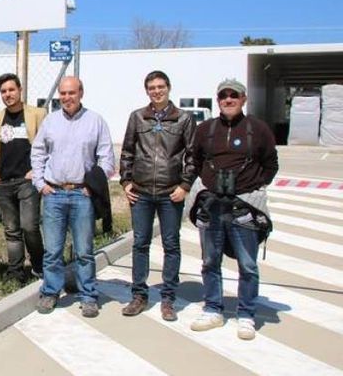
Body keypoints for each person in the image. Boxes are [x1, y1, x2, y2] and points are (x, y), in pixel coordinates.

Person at [187, 79, 278, 340]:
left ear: (243, 99)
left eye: (233, 95)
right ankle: (213, 308)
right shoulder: (205, 129)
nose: (228, 100)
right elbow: (194, 160)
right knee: (209, 262)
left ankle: (246, 314)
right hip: (212, 206)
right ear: (217, 100)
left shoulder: (258, 129)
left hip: (243, 207)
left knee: (248, 265)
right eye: (223, 96)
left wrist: (253, 186)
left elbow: (271, 164)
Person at [31, 76, 115, 318]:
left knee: (84, 251)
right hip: (54, 193)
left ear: (81, 93)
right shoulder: (50, 121)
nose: (67, 98)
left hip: (82, 195)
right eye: (63, 93)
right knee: (53, 250)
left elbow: (107, 157)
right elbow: (37, 153)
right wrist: (39, 184)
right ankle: (50, 292)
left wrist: (94, 186)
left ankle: (88, 296)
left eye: (72, 93)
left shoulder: (95, 121)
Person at [118, 71, 196, 321]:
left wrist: (184, 185)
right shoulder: (138, 117)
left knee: (171, 245)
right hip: (140, 193)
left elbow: (193, 156)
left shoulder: (183, 119)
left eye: (161, 86)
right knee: (140, 243)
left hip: (170, 192)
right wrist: (126, 181)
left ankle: (168, 298)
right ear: (146, 91)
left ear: (169, 88)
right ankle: (139, 295)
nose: (156, 91)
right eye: (152, 87)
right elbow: (127, 151)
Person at [0, 73, 46, 284]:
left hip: (28, 181)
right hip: (4, 182)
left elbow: (49, 145)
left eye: (11, 90)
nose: (7, 94)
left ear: (20, 90)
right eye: (3, 91)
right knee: (11, 230)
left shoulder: (37, 114)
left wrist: (38, 171)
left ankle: (39, 266)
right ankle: (15, 273)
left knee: (29, 226)